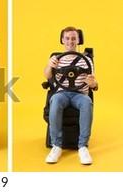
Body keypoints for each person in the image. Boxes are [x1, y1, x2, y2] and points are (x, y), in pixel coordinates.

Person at [43, 26, 98, 165]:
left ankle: (83, 147)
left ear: (78, 40)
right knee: (54, 101)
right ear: (62, 40)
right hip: (61, 93)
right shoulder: (56, 59)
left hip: (80, 94)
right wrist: (50, 65)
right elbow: (47, 75)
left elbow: (93, 82)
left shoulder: (86, 60)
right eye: (67, 38)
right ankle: (56, 146)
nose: (70, 41)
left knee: (87, 103)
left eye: (74, 38)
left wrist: (92, 84)